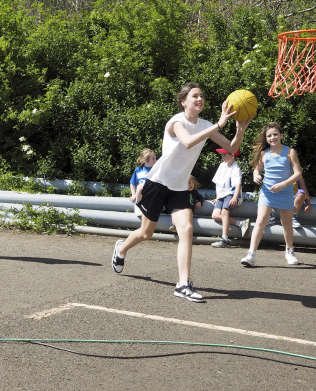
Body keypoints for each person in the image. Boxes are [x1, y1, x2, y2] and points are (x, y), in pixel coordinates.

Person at [111, 83, 249, 302]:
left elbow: (232, 148)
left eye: (202, 96)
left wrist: (240, 129)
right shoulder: (177, 122)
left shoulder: (204, 124)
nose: (200, 99)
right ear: (184, 101)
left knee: (186, 229)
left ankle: (183, 284)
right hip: (158, 183)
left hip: (179, 187)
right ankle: (121, 248)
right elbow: (187, 142)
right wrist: (219, 124)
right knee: (146, 233)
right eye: (195, 96)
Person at [240, 122, 302, 267]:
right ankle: (251, 254)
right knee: (260, 221)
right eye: (269, 135)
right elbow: (257, 169)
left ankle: (289, 251)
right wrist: (256, 175)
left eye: (275, 134)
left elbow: (298, 173)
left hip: (285, 192)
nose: (272, 137)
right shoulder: (263, 153)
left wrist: (283, 185)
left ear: (281, 135)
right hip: (267, 192)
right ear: (266, 138)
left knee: (287, 224)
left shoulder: (289, 151)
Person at [210, 148, 251, 248]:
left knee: (224, 213)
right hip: (221, 195)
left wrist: (235, 198)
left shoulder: (236, 168)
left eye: (224, 155)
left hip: (231, 194)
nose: (222, 157)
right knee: (215, 215)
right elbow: (217, 182)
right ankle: (240, 223)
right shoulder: (222, 165)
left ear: (232, 155)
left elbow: (238, 184)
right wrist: (217, 197)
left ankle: (224, 239)